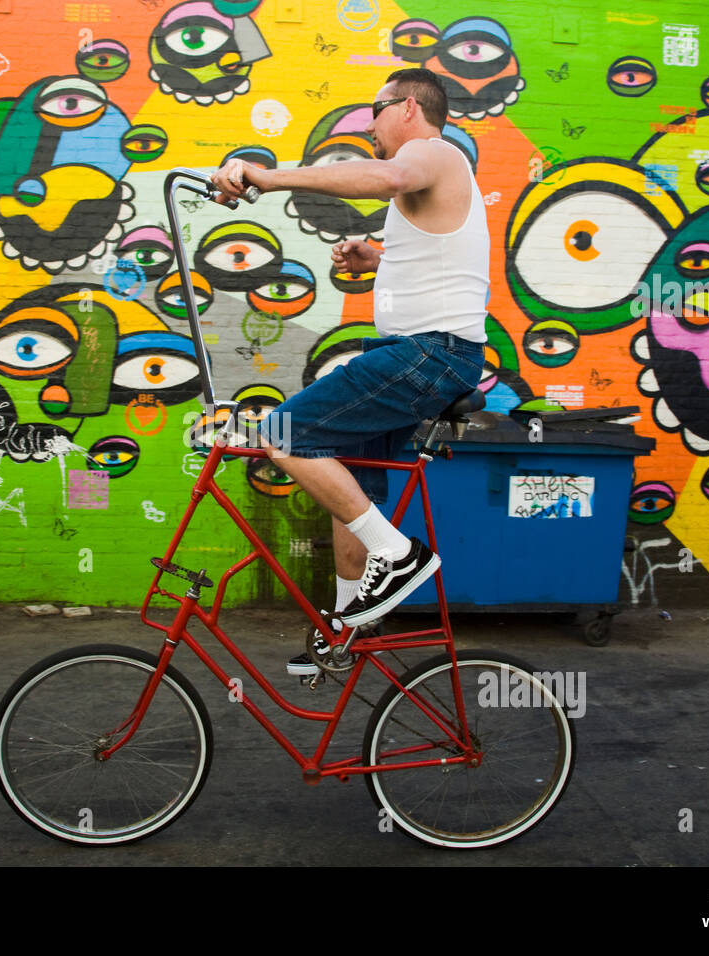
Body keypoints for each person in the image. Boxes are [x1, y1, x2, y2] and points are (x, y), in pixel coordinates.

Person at [211, 68, 490, 671]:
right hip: (419, 354)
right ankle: (346, 629)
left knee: (281, 434)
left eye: (377, 108)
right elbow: (441, 254)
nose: (370, 123)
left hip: (430, 354)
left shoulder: (432, 152)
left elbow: (385, 178)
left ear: (409, 108)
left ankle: (398, 554)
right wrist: (377, 256)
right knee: (354, 491)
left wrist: (264, 175)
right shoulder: (432, 175)